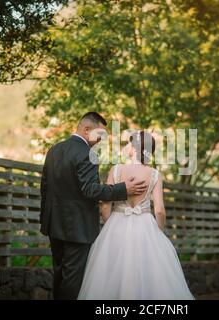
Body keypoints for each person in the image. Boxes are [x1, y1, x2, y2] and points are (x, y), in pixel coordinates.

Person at [40, 112, 148, 300]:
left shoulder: (54, 150)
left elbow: (45, 187)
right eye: (99, 135)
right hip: (78, 227)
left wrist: (47, 218)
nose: (100, 141)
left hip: (53, 223)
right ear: (86, 129)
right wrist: (124, 188)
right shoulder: (88, 154)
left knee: (59, 274)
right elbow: (90, 190)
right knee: (73, 279)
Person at [78, 131, 194, 300]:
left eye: (128, 144)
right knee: (150, 277)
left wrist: (111, 223)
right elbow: (160, 209)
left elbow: (105, 206)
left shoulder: (116, 170)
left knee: (109, 277)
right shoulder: (154, 174)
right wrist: (158, 232)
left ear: (133, 148)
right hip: (145, 226)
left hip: (116, 224)